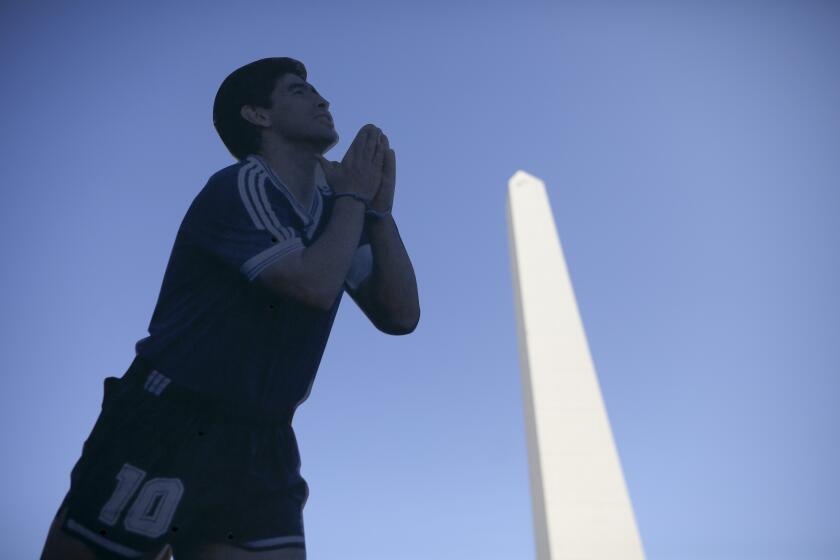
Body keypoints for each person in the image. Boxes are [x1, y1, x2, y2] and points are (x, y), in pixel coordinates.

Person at [40, 57, 420, 560]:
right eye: (299, 91)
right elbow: (311, 284)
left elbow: (401, 315)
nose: (323, 100)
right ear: (258, 116)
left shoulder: (338, 212)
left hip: (263, 438)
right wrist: (353, 196)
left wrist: (378, 211)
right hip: (166, 416)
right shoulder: (242, 187)